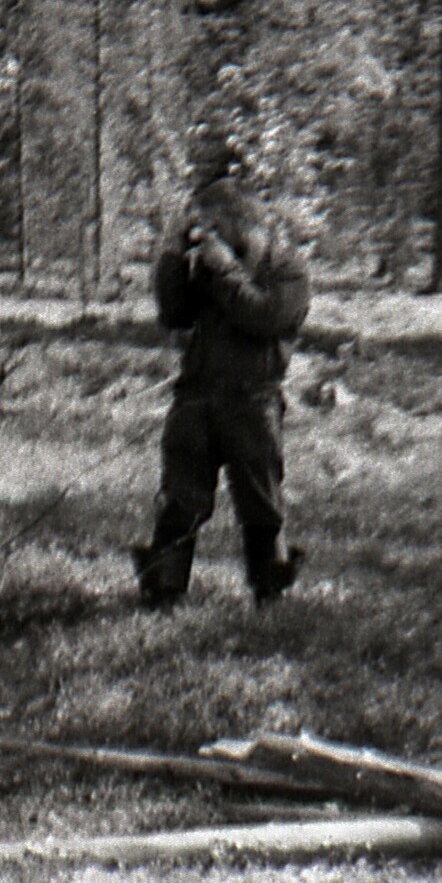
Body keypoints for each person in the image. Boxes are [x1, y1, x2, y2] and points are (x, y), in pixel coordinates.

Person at [132, 173, 311, 608]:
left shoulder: (286, 268)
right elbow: (174, 315)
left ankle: (269, 593)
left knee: (260, 503)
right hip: (196, 397)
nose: (203, 234)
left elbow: (265, 317)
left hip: (253, 399)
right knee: (180, 499)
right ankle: (163, 593)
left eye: (210, 224)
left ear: (237, 221)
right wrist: (173, 257)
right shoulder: (210, 266)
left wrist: (226, 270)